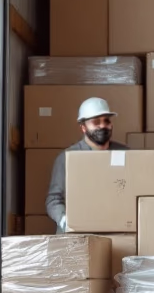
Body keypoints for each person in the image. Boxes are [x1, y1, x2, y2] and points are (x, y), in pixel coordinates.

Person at [46, 98, 128, 233]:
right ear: (83, 127)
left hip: (116, 231)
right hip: (77, 235)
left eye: (106, 121)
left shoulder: (126, 155)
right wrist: (65, 221)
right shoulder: (67, 158)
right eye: (96, 122)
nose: (102, 126)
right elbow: (54, 199)